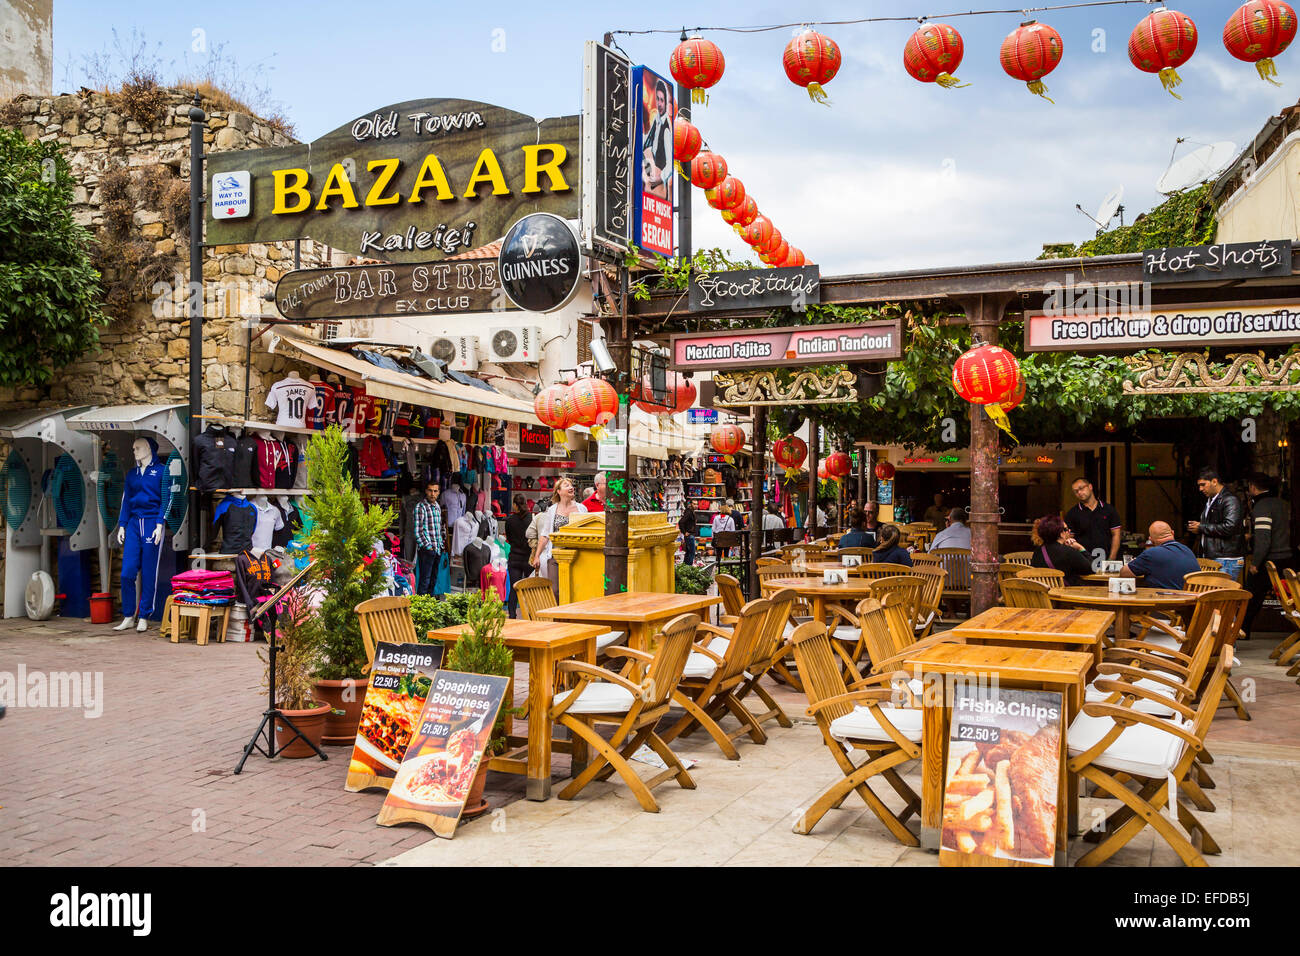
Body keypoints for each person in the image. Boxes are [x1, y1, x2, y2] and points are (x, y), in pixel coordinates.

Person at [1245, 471, 1293, 638]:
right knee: (1289, 595)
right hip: (1286, 556)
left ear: (1253, 487)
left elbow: (1264, 539)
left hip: (1269, 559)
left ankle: (1242, 630)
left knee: (1250, 596)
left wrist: (1255, 563)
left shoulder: (1262, 506)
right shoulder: (1281, 504)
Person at [535, 477, 587, 598]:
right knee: (555, 590)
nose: (571, 487)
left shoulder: (582, 509)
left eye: (571, 485)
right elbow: (545, 534)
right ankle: (557, 615)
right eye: (566, 485)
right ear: (558, 491)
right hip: (555, 555)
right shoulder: (553, 510)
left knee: (575, 587)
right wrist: (537, 556)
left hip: (577, 555)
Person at [1188, 467, 1245, 575]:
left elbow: (1230, 527)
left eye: (1203, 484)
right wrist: (1200, 529)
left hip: (1225, 558)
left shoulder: (1230, 500)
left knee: (1220, 592)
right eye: (1199, 485)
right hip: (1216, 557)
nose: (1200, 489)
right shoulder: (1211, 500)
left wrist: (1201, 527)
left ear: (1214, 481)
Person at [1121, 520, 1199, 590]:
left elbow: (1124, 573)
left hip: (1168, 603)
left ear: (1151, 540)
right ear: (1172, 533)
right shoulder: (1187, 550)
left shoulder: (1152, 553)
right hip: (1193, 602)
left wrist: (1136, 562)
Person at [1065, 477, 1122, 564]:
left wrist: (1111, 559)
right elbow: (1069, 539)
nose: (1079, 492)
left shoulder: (1108, 509)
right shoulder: (1072, 513)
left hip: (1106, 558)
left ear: (1090, 487)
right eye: (1076, 491)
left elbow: (1116, 535)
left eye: (1081, 488)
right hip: (1082, 560)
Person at [1030, 514, 1093, 586]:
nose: (1069, 531)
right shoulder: (1068, 552)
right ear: (1061, 534)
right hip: (1067, 594)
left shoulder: (1037, 552)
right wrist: (1080, 548)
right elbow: (1091, 569)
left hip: (1046, 594)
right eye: (1066, 529)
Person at [413, 481, 444, 596]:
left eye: (435, 491)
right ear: (426, 491)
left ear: (438, 492)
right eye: (430, 490)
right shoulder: (420, 507)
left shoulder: (437, 507)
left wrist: (441, 544)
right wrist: (428, 547)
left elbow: (439, 528)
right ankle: (422, 607)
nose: (432, 494)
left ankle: (430, 606)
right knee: (424, 580)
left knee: (433, 579)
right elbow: (418, 531)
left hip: (437, 548)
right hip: (427, 550)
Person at [505, 494, 533, 618]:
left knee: (514, 587)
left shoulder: (510, 520)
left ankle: (512, 615)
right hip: (528, 558)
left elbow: (509, 539)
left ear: (515, 505)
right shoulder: (531, 518)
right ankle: (530, 613)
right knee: (529, 588)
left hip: (515, 557)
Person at [678, 501, 698, 566]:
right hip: (689, 535)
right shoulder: (689, 512)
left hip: (690, 534)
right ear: (691, 504)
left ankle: (685, 567)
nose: (696, 505)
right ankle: (689, 567)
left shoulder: (691, 512)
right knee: (691, 552)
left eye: (696, 504)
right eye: (694, 504)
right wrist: (684, 532)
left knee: (689, 552)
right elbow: (681, 522)